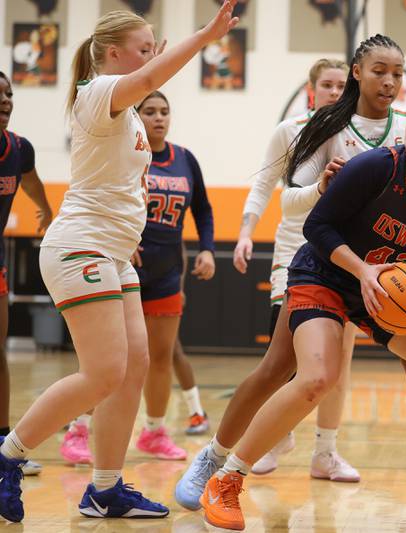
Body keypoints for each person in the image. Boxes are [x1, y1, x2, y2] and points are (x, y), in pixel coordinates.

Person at [197, 94, 406, 532]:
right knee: (316, 378)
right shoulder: (375, 166)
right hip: (325, 275)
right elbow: (316, 227)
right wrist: (363, 270)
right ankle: (226, 480)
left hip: (384, 294)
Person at [175, 34, 406, 520]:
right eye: (378, 71)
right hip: (324, 260)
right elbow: (289, 202)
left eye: (397, 72)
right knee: (279, 368)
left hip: (385, 272)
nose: (389, 81)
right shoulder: (324, 125)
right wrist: (319, 188)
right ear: (357, 72)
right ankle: (214, 460)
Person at [0, 3, 238, 522]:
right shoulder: (100, 91)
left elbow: (118, 182)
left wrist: (128, 232)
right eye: (145, 47)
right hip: (80, 247)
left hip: (112, 252)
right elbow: (153, 76)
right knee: (105, 372)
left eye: (154, 48)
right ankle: (8, 455)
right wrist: (205, 36)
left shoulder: (126, 113)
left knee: (134, 369)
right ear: (114, 53)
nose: (152, 56)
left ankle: (104, 489)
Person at [232, 58, 353, 477]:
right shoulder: (290, 131)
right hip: (292, 251)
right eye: (328, 85)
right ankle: (277, 435)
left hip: (341, 255)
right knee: (284, 356)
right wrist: (246, 232)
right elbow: (264, 186)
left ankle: (326, 452)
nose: (335, 92)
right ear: (312, 89)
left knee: (340, 359)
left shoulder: (357, 134)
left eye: (341, 85)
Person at [132, 90, 215, 459]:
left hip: (167, 271)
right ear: (136, 117)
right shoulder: (126, 156)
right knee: (117, 357)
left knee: (162, 357)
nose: (158, 118)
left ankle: (153, 431)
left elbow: (204, 210)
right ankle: (82, 430)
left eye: (164, 111)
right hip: (126, 267)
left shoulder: (184, 159)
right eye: (149, 111)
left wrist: (208, 249)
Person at [0, 71, 53, 477]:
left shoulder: (19, 148)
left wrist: (46, 210)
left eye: (9, 94)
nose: (5, 101)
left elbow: (31, 183)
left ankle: (3, 443)